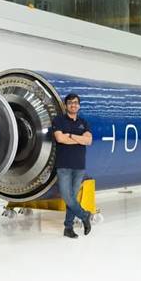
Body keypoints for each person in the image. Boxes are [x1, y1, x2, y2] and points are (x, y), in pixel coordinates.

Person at [52, 93, 93, 239]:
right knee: (66, 196)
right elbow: (60, 138)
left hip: (79, 166)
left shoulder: (84, 122)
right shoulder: (58, 120)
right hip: (64, 165)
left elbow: (88, 141)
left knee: (72, 197)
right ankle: (84, 215)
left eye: (75, 103)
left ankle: (68, 228)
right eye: (70, 103)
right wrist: (79, 138)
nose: (73, 105)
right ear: (65, 105)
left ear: (79, 105)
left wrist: (71, 136)